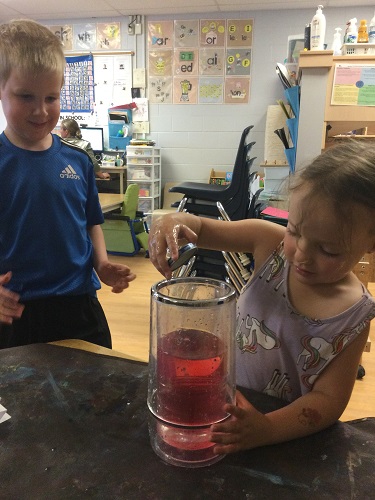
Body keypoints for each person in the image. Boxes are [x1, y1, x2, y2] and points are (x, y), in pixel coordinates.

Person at [148, 140, 375, 454]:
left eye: (328, 249)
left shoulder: (355, 316)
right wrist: (173, 222)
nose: (302, 255)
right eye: (295, 230)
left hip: (278, 435)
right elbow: (201, 227)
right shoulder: (270, 242)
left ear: (371, 242)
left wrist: (267, 429)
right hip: (219, 404)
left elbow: (328, 401)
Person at [0, 19, 136, 349]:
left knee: (96, 393)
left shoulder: (77, 161)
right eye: (26, 96)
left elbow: (91, 223)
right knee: (24, 400)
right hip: (17, 312)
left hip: (80, 304)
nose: (41, 110)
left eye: (52, 96)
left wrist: (101, 263)